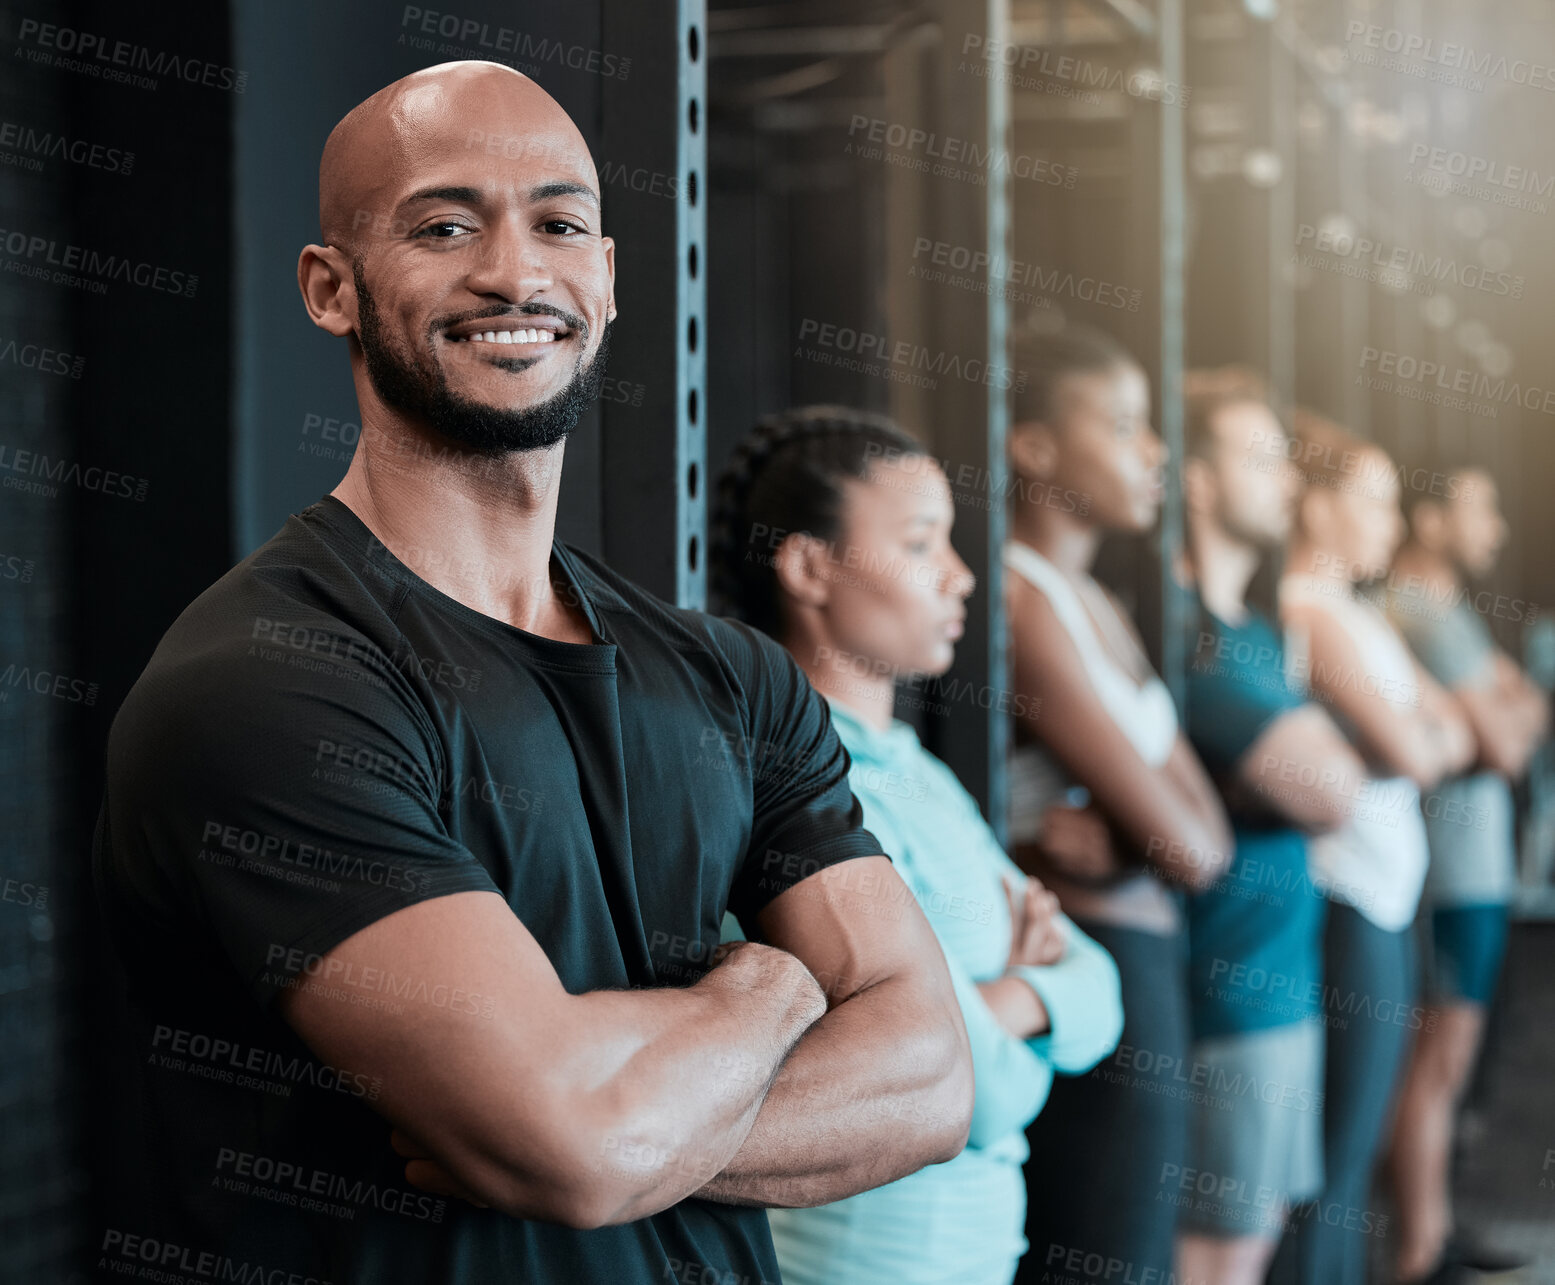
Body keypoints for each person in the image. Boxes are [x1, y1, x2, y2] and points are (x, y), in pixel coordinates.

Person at [91, 62, 975, 1285]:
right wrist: (772, 994)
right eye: (445, 226)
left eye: (557, 223)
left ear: (607, 279)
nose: (514, 272)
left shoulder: (729, 676)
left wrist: (623, 1124)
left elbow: (929, 1076)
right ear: (329, 289)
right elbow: (566, 1141)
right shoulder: (267, 685)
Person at [708, 405, 1124, 1285]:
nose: (961, 577)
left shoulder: (915, 773)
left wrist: (990, 1005)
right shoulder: (802, 787)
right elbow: (972, 1092)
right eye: (920, 543)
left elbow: (1102, 990)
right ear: (810, 566)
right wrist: (1024, 995)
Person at [1002, 328, 1233, 1284]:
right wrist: (1153, 834)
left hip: (1146, 962)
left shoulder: (1094, 599)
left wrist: (1149, 833)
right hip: (1101, 970)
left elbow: (1204, 836)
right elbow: (1184, 844)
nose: (1154, 454)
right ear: (1034, 448)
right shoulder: (1022, 597)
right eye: (1124, 426)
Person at [1174, 369, 1372, 1285]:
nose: (1287, 482)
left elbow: (1333, 778)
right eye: (1260, 459)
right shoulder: (1189, 640)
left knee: (1251, 1245)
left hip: (1280, 985)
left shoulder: (1248, 630)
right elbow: (1332, 789)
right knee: (1214, 1261)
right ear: (1198, 480)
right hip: (1225, 1000)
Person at [1270, 411, 1475, 1285]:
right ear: (1317, 507)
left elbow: (1454, 735)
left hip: (1385, 904)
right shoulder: (1305, 609)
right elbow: (1413, 749)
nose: (1390, 524)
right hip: (1345, 907)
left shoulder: (1358, 613)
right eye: (1374, 501)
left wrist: (1413, 741)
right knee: (1337, 1149)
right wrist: (1410, 742)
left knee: (1356, 1145)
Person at [1383, 467, 1549, 1283]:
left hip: (1472, 872)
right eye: (1477, 506)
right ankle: (1417, 1250)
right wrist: (1510, 708)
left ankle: (1434, 1231)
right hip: (1450, 877)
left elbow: (1518, 715)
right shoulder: (1419, 612)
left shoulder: (1447, 613)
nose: (1494, 526)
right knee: (1437, 1060)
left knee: (1450, 1060)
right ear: (1428, 515)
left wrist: (1509, 709)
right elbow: (1512, 737)